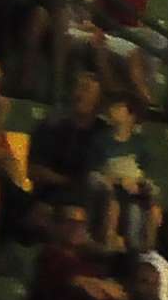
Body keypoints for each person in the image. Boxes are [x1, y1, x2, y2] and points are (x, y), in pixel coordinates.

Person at [27, 199, 127, 300]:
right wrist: (100, 286)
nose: (76, 228)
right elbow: (79, 284)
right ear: (54, 226)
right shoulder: (49, 256)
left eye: (81, 224)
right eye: (70, 222)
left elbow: (118, 293)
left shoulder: (89, 264)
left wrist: (101, 286)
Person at [22, 71, 107, 231]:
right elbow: (34, 171)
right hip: (52, 197)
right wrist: (68, 182)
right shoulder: (51, 126)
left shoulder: (102, 131)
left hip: (92, 199)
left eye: (87, 89)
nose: (80, 94)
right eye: (79, 88)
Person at [84, 91, 156, 252]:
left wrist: (139, 185)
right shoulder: (100, 140)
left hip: (132, 186)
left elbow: (143, 171)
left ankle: (147, 248)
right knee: (113, 201)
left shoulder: (139, 143)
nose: (112, 111)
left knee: (151, 207)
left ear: (130, 116)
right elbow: (94, 172)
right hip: (109, 183)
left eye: (118, 108)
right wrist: (116, 181)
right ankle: (108, 238)